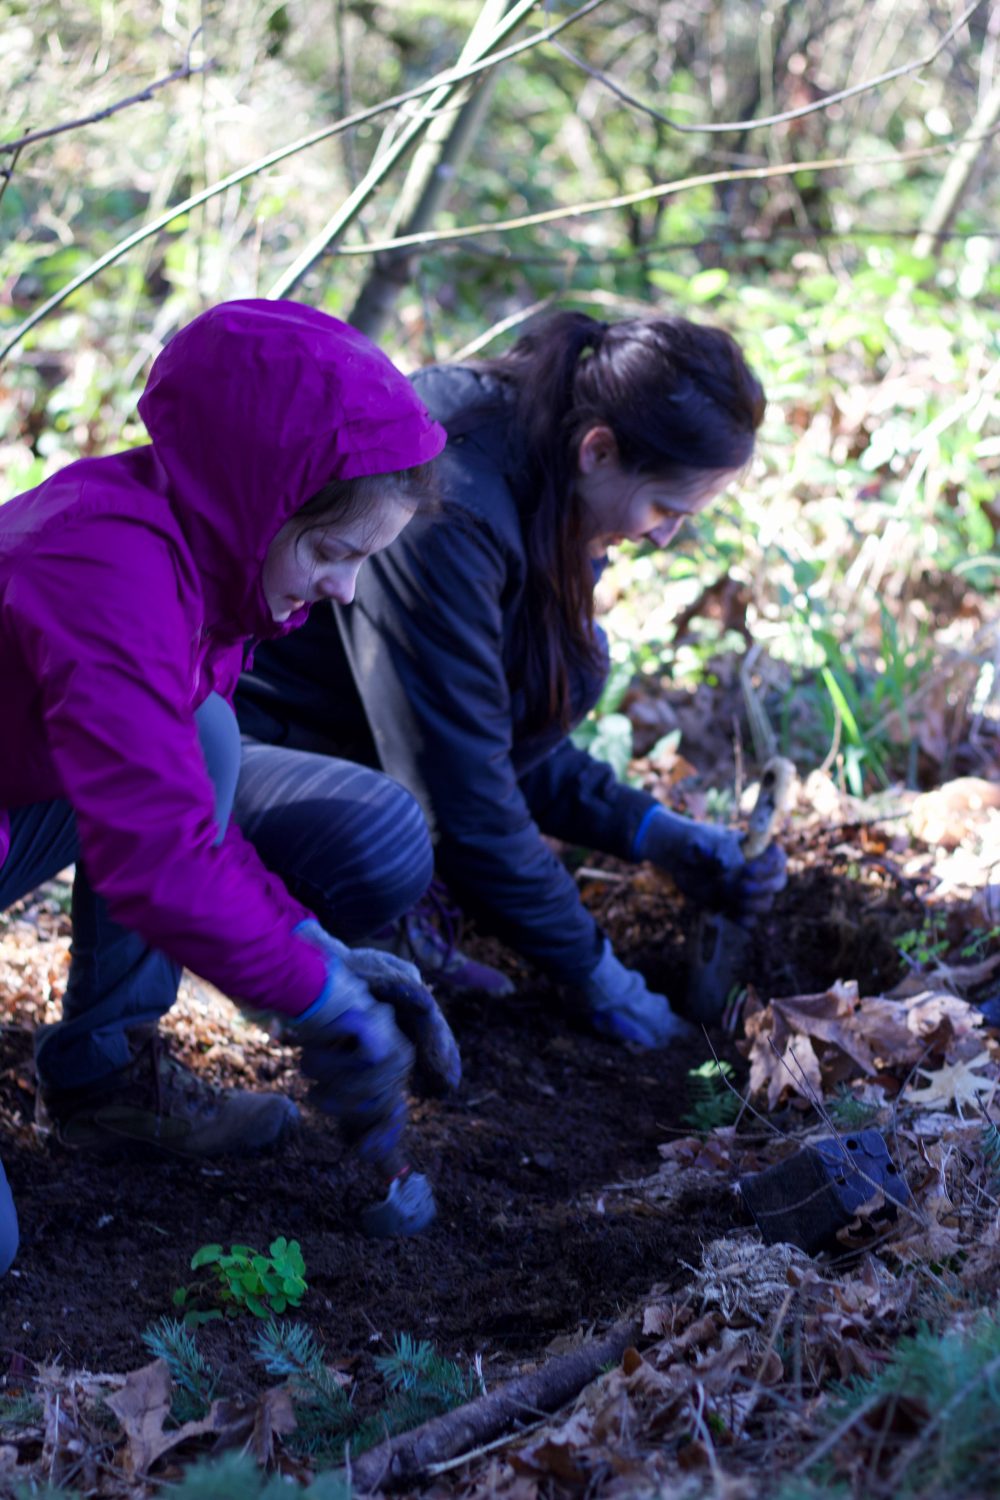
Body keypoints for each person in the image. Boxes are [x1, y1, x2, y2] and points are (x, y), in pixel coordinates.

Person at [0, 300, 460, 1259]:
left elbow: (169, 805)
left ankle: (104, 1080)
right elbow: (157, 856)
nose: (344, 589)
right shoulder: (107, 570)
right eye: (334, 553)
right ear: (254, 497)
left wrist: (312, 950)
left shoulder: (187, 565)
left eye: (364, 561)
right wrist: (317, 997)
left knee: (202, 730)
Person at [236, 310, 787, 1049]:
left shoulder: (548, 469)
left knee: (574, 665)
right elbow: (461, 787)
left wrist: (656, 834)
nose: (663, 535)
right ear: (600, 449)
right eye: (664, 508)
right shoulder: (451, 505)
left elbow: (488, 726)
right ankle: (295, 930)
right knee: (385, 836)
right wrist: (599, 974)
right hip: (246, 741)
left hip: (351, 729)